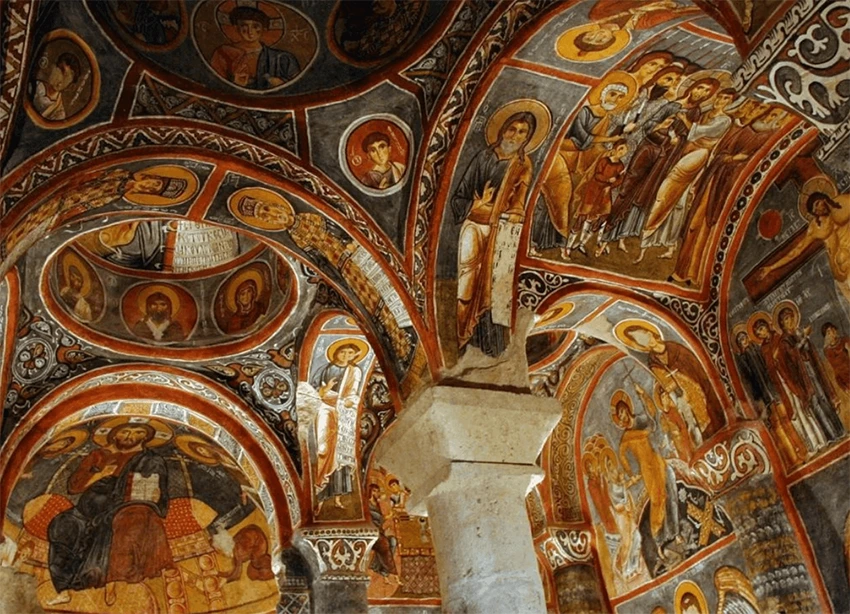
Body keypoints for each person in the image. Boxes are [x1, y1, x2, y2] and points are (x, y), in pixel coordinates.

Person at [234, 193, 412, 360]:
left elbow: (335, 228)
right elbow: (319, 260)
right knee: (372, 303)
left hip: (352, 254)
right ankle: (396, 340)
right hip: (344, 268)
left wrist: (348, 243)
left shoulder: (307, 217)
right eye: (265, 218)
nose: (272, 216)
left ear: (277, 206)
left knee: (379, 291)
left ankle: (400, 337)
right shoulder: (294, 237)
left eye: (268, 210)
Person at [46, 422, 172, 606]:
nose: (131, 436)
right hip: (86, 511)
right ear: (114, 435)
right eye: (125, 431)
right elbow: (74, 487)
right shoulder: (98, 455)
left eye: (138, 432)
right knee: (62, 525)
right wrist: (101, 472)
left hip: (124, 506)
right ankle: (65, 589)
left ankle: (109, 582)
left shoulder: (150, 459)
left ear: (145, 437)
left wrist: (154, 494)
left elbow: (157, 489)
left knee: (118, 523)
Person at [451, 111, 536, 356]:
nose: (515, 135)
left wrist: (514, 211)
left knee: (494, 286)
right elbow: (459, 198)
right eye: (512, 128)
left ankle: (484, 340)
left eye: (522, 132)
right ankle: (461, 335)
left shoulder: (523, 164)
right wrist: (478, 205)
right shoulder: (483, 157)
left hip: (501, 230)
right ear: (502, 129)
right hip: (474, 225)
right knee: (467, 281)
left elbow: (520, 198)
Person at [672, 101, 775, 284]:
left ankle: (694, 274)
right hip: (714, 178)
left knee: (707, 228)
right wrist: (727, 159)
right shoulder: (734, 125)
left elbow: (749, 164)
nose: (753, 109)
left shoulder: (760, 136)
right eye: (755, 106)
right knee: (694, 224)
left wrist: (733, 160)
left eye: (761, 109)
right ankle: (681, 270)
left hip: (725, 185)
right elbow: (719, 153)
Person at [639, 85, 735, 263]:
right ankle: (664, 241)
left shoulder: (725, 120)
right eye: (719, 97)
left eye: (725, 100)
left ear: (730, 103)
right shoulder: (704, 111)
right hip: (684, 151)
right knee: (674, 197)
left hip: (698, 155)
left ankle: (653, 233)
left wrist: (684, 119)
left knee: (670, 190)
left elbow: (697, 133)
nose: (719, 101)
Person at [619, 323, 725, 441]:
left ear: (650, 333)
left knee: (714, 413)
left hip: (699, 387)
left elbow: (696, 366)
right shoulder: (653, 361)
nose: (646, 342)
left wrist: (690, 382)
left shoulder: (675, 348)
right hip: (683, 397)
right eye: (641, 341)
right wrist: (672, 391)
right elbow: (664, 382)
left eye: (644, 337)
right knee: (699, 426)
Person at [611, 390, 679, 575]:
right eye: (620, 416)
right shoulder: (625, 438)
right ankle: (658, 538)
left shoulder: (641, 420)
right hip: (646, 469)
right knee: (657, 499)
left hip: (657, 460)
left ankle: (673, 533)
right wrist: (630, 473)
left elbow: (653, 420)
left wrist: (643, 395)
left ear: (629, 410)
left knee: (669, 492)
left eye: (625, 413)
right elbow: (622, 456)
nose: (624, 418)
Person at [758, 190, 850, 310]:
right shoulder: (815, 228)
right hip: (841, 271)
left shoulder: (844, 202)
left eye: (818, 204)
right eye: (814, 210)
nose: (818, 209)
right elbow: (796, 251)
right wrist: (771, 268)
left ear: (824, 198)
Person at [750, 314, 808, 465]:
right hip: (779, 384)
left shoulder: (779, 338)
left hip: (789, 378)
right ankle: (807, 446)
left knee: (801, 409)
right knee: (792, 413)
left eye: (761, 329)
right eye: (758, 333)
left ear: (767, 326)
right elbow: (768, 367)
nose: (761, 333)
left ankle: (814, 444)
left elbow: (788, 356)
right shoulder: (763, 348)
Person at [312, 342, 364, 511]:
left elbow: (353, 393)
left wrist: (348, 401)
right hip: (325, 409)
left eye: (350, 353)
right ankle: (319, 493)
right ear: (336, 352)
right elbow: (313, 391)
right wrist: (324, 390)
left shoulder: (354, 371)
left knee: (341, 454)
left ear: (355, 356)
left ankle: (337, 498)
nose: (346, 355)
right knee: (324, 449)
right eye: (343, 351)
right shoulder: (325, 369)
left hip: (344, 413)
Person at [210, 5, 300, 90]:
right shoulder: (224, 53)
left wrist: (281, 84)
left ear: (264, 29)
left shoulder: (282, 58)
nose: (250, 31)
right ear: (236, 28)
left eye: (255, 26)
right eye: (244, 26)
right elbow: (214, 86)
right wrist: (234, 84)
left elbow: (297, 88)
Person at [565, 139, 628, 257]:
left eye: (625, 150)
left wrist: (611, 185)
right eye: (621, 149)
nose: (623, 153)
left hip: (605, 192)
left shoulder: (620, 166)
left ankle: (582, 243)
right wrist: (607, 180)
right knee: (583, 217)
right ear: (615, 148)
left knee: (603, 217)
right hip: (594, 190)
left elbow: (620, 180)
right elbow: (597, 174)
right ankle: (568, 247)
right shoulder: (604, 161)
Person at [32, 52, 81, 121]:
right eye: (61, 70)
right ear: (54, 67)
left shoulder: (59, 112)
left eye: (67, 78)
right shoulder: (34, 85)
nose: (61, 80)